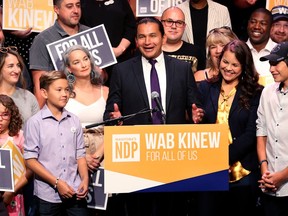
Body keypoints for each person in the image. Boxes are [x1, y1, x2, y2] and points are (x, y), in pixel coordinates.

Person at [104, 17, 204, 216]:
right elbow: (110, 111)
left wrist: (197, 114)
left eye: (152, 36)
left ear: (163, 37)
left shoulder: (182, 69)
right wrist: (114, 117)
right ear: (136, 40)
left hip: (172, 156)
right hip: (136, 159)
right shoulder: (122, 70)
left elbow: (195, 106)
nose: (147, 42)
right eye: (141, 36)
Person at [197, 39, 263, 215]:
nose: (228, 68)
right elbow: (199, 128)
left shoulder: (256, 92)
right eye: (225, 62)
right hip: (208, 171)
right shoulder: (205, 88)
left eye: (235, 64)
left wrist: (221, 158)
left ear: (244, 66)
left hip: (243, 174)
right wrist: (195, 118)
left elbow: (251, 134)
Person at [23, 71, 89, 216]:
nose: (64, 94)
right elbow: (30, 160)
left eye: (67, 89)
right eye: (59, 90)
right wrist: (57, 182)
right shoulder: (35, 123)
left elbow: (80, 154)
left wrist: (84, 179)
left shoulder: (74, 120)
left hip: (75, 191)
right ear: (44, 93)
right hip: (47, 197)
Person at [63, 44, 108, 215]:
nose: (83, 64)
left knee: (104, 208)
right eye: (76, 61)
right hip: (72, 155)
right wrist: (82, 157)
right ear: (69, 68)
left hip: (103, 155)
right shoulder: (63, 95)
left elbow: (115, 127)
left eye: (85, 59)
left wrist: (96, 156)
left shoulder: (106, 91)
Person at [29, 0, 90, 108]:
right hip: (60, 106)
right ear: (56, 9)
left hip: (91, 101)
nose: (76, 10)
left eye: (78, 5)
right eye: (69, 6)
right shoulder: (43, 39)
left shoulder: (91, 34)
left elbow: (103, 76)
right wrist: (40, 119)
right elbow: (40, 85)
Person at [256, 41, 288, 216]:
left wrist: (281, 176)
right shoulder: (267, 92)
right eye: (270, 63)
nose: (271, 68)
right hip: (268, 185)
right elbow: (261, 132)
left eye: (276, 63)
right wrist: (265, 170)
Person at [80, 0, 137, 86]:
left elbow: (131, 26)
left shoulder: (121, 2)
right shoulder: (82, 4)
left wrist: (120, 49)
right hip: (95, 63)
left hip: (121, 59)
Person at [0, 95, 33, 216]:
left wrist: (11, 192)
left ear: (11, 115)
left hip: (13, 195)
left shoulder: (18, 136)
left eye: (5, 114)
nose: (1, 119)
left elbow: (30, 169)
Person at [0, 47, 39, 126]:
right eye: (11, 66)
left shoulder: (28, 97)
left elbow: (37, 128)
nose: (17, 70)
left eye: (18, 65)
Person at [161, 6, 205, 73]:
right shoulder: (151, 50)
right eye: (169, 21)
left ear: (184, 27)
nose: (173, 26)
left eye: (179, 22)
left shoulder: (196, 52)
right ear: (161, 24)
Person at [246, 7, 277, 86]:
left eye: (263, 23)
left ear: (271, 27)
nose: (257, 27)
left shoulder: (280, 53)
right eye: (253, 22)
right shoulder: (238, 50)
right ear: (248, 24)